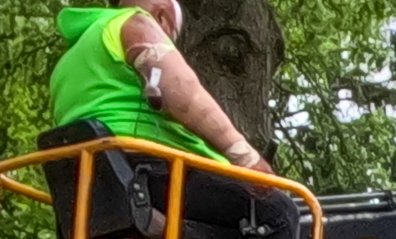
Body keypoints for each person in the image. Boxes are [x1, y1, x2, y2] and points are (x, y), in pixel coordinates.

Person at [51, 2, 270, 170]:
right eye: (171, 37)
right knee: (279, 211)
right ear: (162, 17)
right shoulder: (136, 24)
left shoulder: (64, 66)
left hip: (88, 181)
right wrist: (247, 158)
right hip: (145, 169)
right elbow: (186, 96)